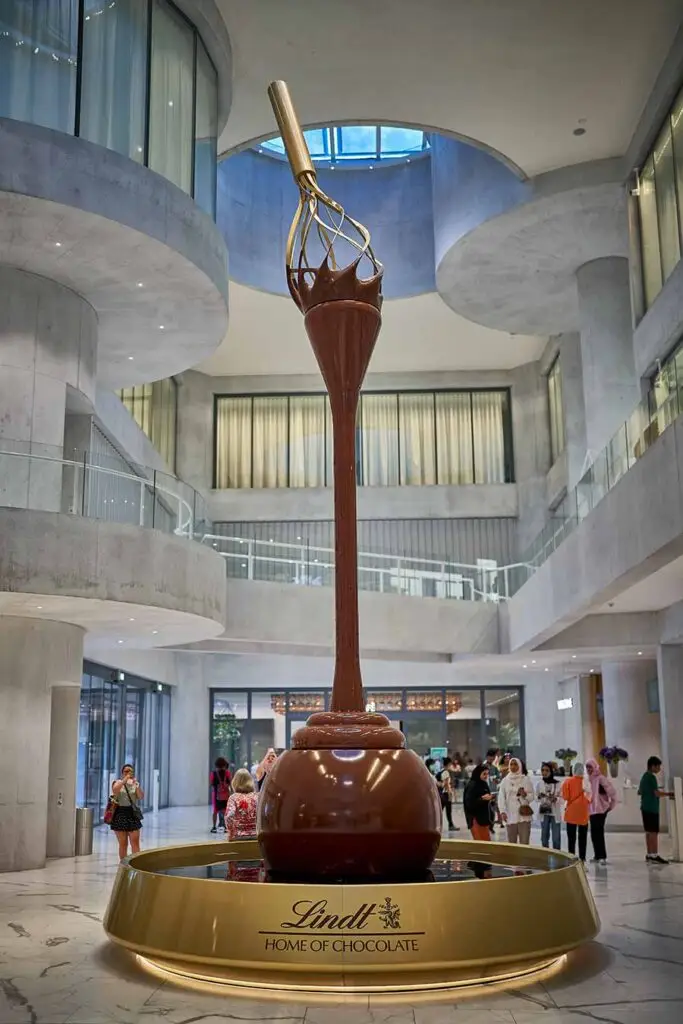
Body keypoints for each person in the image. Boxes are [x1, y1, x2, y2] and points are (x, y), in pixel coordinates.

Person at [638, 755, 673, 865]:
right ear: (653, 766)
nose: (659, 769)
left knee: (648, 832)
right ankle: (654, 855)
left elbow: (640, 791)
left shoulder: (644, 777)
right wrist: (669, 794)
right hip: (652, 808)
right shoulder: (651, 777)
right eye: (658, 767)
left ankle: (649, 854)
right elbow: (656, 793)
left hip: (644, 807)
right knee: (654, 832)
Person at [586, 757, 617, 864]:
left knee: (599, 832)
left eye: (590, 767)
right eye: (587, 768)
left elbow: (611, 791)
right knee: (594, 833)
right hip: (592, 810)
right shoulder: (589, 779)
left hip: (601, 810)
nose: (589, 770)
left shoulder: (601, 778)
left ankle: (602, 856)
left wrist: (611, 805)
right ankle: (597, 855)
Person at [110, 764, 144, 862]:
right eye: (126, 771)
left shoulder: (135, 784)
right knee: (123, 843)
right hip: (120, 813)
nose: (129, 773)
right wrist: (125, 780)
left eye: (131, 771)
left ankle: (136, 863)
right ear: (122, 773)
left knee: (135, 841)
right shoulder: (118, 782)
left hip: (132, 813)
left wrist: (137, 786)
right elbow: (115, 790)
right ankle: (124, 864)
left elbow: (141, 796)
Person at [498, 756, 535, 844]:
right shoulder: (505, 781)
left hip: (524, 816)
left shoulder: (526, 780)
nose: (513, 766)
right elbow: (501, 797)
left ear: (520, 766)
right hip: (510, 815)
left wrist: (525, 795)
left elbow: (532, 797)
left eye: (515, 764)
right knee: (512, 843)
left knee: (524, 842)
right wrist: (502, 812)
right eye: (511, 764)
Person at [561, 762, 591, 863]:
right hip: (583, 811)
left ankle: (571, 859)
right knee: (583, 838)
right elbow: (590, 797)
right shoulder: (586, 781)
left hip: (571, 812)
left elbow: (565, 797)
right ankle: (582, 859)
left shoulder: (568, 782)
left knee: (571, 838)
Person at [225, 768, 259, 841]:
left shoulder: (233, 798)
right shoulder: (257, 797)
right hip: (256, 835)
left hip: (238, 835)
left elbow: (229, 816)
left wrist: (231, 833)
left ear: (235, 782)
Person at [463, 763, 494, 841]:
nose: (486, 776)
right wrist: (482, 799)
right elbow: (469, 803)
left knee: (486, 842)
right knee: (480, 843)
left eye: (487, 774)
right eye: (484, 774)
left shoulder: (484, 784)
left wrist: (490, 799)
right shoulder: (472, 785)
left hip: (484, 819)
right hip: (475, 819)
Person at [536, 761, 563, 850]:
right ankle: (545, 856)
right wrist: (540, 797)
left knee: (556, 838)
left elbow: (562, 798)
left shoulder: (558, 784)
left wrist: (556, 799)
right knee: (544, 838)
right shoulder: (539, 784)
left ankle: (557, 856)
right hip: (544, 811)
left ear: (551, 771)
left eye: (547, 770)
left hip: (555, 812)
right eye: (543, 770)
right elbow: (536, 798)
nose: (544, 772)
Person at [210, 757, 232, 833]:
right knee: (225, 811)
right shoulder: (227, 773)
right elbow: (230, 783)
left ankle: (214, 827)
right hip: (226, 795)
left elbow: (212, 783)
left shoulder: (213, 773)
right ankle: (226, 827)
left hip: (216, 795)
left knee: (215, 811)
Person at [437, 757, 459, 832]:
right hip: (446, 794)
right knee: (448, 811)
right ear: (449, 764)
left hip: (441, 794)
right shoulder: (446, 772)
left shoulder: (440, 771)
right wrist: (450, 794)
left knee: (440, 811)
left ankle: (437, 825)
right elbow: (446, 784)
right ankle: (451, 825)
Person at [484, 748, 502, 829]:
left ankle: (491, 825)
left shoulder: (494, 768)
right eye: (490, 758)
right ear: (487, 757)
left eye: (493, 758)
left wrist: (496, 780)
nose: (492, 759)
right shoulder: (482, 767)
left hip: (493, 791)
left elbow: (499, 779)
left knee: (493, 808)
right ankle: (487, 824)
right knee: (486, 809)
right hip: (485, 791)